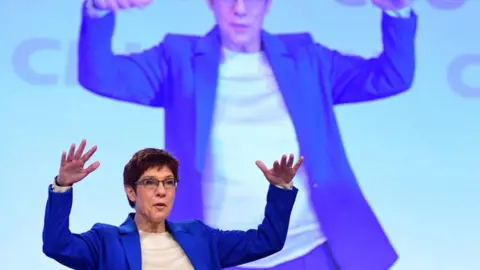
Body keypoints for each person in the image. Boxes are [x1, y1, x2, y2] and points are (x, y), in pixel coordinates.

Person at [77, 0, 417, 269]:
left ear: (267, 4)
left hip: (310, 249)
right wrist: (100, 8)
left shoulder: (305, 58)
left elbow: (390, 77)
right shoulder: (178, 58)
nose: (240, 8)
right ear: (211, 3)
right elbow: (102, 76)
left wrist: (398, 11)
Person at [42, 139, 303, 270]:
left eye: (169, 182)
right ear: (131, 192)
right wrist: (63, 186)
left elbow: (267, 241)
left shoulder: (201, 236)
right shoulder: (105, 240)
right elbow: (57, 245)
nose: (161, 191)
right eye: (150, 183)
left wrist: (280, 188)